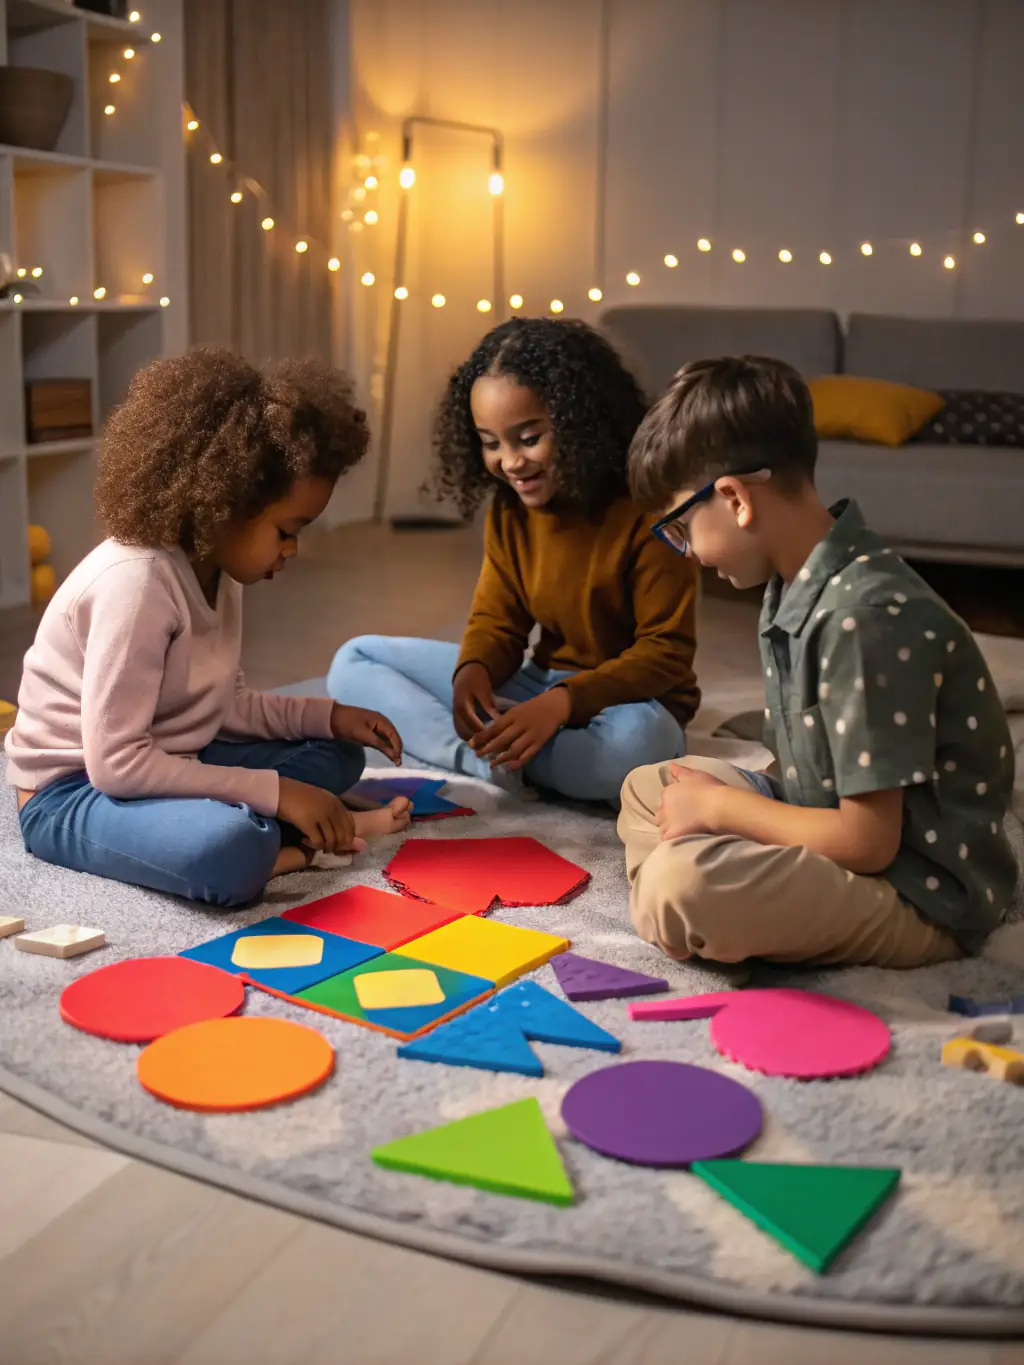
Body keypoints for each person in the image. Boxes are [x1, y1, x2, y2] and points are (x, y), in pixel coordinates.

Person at [619, 354, 1016, 966]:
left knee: (685, 884)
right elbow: (805, 762)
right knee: (650, 787)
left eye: (681, 529)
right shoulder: (794, 584)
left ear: (734, 498)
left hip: (916, 893)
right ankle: (700, 909)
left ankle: (690, 908)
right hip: (824, 822)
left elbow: (868, 841)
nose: (688, 552)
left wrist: (724, 811)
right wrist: (728, 810)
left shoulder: (867, 616)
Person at [5, 349, 409, 908]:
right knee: (228, 848)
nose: (293, 549)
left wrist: (330, 716)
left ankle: (288, 823)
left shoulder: (221, 570)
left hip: (172, 757)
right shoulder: (137, 583)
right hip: (72, 793)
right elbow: (117, 765)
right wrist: (278, 792)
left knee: (339, 755)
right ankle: (296, 849)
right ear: (226, 504)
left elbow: (227, 707)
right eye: (288, 530)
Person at [328, 316, 699, 802]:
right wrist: (472, 674)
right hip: (540, 685)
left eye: (528, 438)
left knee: (639, 747)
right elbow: (497, 621)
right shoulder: (510, 508)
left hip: (629, 703)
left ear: (580, 420)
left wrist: (562, 704)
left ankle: (514, 754)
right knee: (354, 661)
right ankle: (490, 759)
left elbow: (665, 652)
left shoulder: (649, 507)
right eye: (490, 443)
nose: (510, 462)